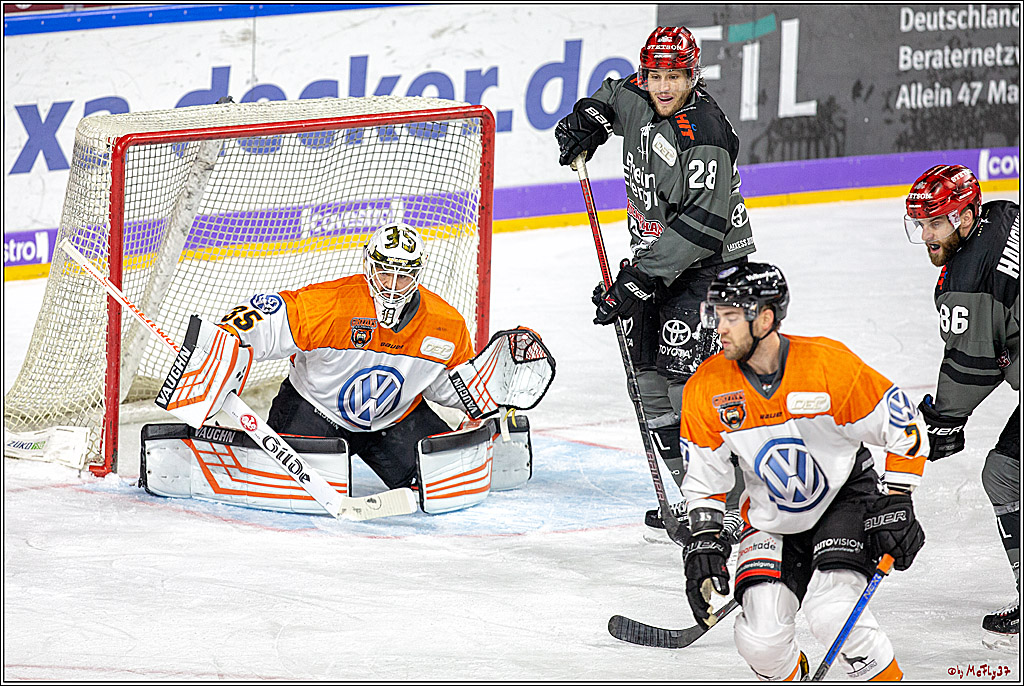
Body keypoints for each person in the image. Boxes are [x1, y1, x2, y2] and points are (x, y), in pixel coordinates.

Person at [680, 263, 927, 680]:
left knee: (834, 615)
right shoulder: (707, 387)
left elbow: (905, 427)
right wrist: (704, 541)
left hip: (843, 499)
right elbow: (705, 478)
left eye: (730, 317)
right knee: (760, 641)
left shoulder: (827, 366)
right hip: (770, 515)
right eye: (716, 315)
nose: (718, 328)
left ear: (765, 318)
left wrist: (898, 498)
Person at [554, 25, 755, 533]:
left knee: (690, 389)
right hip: (654, 263)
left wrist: (638, 280)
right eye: (655, 75)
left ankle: (730, 507)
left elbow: (703, 229)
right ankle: (696, 497)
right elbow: (611, 95)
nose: (663, 87)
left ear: (693, 76)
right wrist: (589, 120)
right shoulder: (639, 95)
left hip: (708, 269)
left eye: (675, 76)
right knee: (646, 385)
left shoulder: (705, 130)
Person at [216, 221, 475, 491]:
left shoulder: (445, 325)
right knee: (280, 488)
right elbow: (271, 317)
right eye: (385, 272)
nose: (392, 286)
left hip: (395, 419)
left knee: (450, 483)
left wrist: (491, 401)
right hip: (314, 412)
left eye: (404, 276)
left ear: (418, 275)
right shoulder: (334, 304)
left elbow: (454, 387)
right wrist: (225, 337)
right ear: (368, 265)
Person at [903, 164, 1020, 642]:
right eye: (923, 223)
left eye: (938, 221)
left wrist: (943, 421)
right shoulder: (1006, 215)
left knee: (1004, 474)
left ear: (968, 215)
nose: (928, 234)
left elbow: (972, 364)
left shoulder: (966, 280)